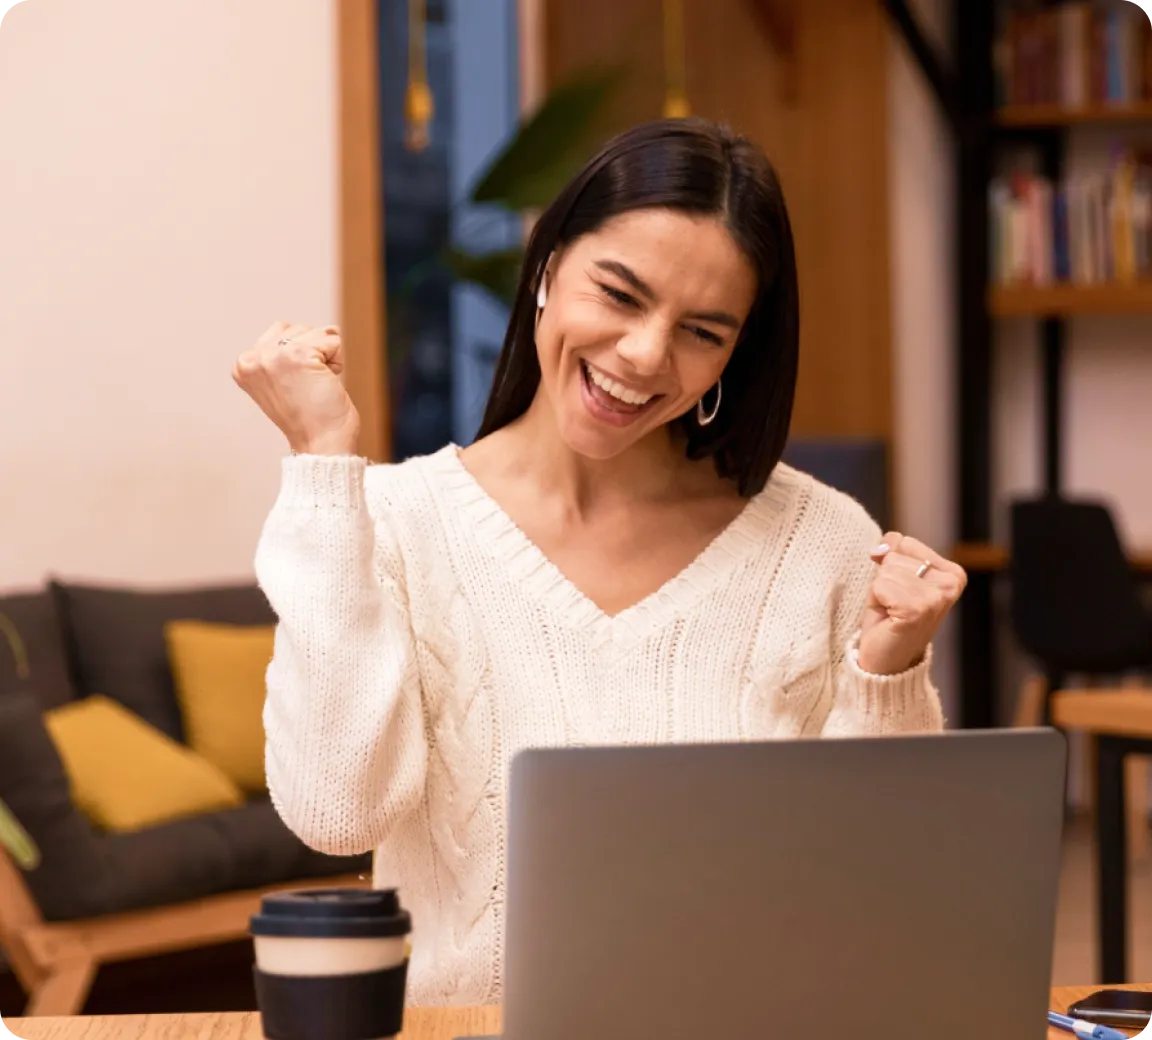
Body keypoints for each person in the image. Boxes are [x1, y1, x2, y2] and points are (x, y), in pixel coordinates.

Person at [233, 117, 964, 1008]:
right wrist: (322, 463)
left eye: (703, 330)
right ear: (547, 270)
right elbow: (336, 813)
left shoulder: (823, 543)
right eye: (620, 294)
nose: (647, 355)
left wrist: (885, 677)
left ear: (739, 350)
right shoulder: (393, 521)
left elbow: (878, 891)